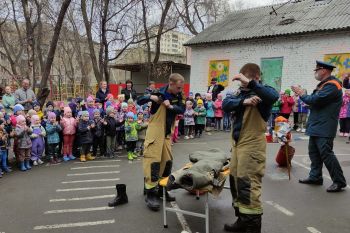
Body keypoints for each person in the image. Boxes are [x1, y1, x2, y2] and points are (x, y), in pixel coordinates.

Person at [223, 63, 279, 233]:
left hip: (253, 145)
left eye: (243, 80)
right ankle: (241, 221)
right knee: (235, 181)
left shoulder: (263, 91)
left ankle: (252, 228)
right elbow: (226, 104)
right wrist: (244, 101)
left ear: (254, 77)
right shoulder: (241, 93)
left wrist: (251, 84)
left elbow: (273, 96)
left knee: (248, 185)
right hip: (238, 145)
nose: (241, 84)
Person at [292, 60, 347, 192]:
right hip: (317, 124)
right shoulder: (323, 85)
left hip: (325, 126)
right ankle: (315, 177)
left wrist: (301, 94)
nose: (315, 72)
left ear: (324, 70)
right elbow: (318, 102)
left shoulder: (332, 85)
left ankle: (339, 181)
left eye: (317, 69)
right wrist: (309, 103)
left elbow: (316, 99)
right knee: (314, 153)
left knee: (326, 154)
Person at [137, 73, 185, 211]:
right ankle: (150, 193)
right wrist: (150, 97)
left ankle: (162, 190)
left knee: (167, 162)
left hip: (167, 134)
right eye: (178, 87)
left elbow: (181, 108)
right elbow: (139, 100)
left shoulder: (178, 96)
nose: (180, 90)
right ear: (170, 84)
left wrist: (170, 107)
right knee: (153, 163)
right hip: (155, 133)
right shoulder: (158, 93)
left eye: (181, 88)